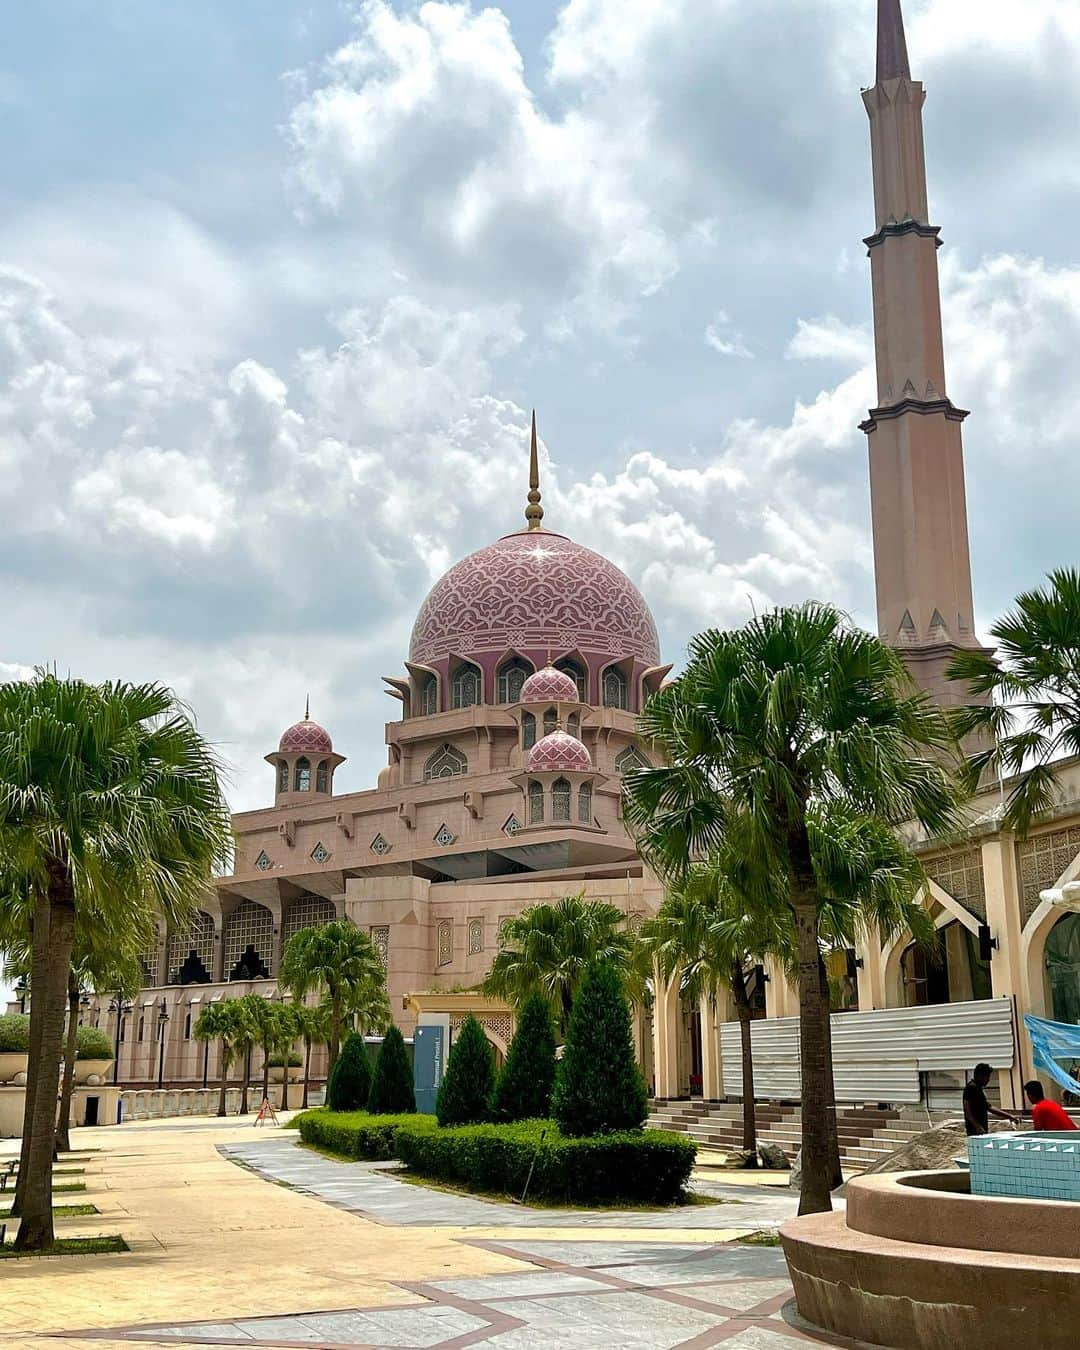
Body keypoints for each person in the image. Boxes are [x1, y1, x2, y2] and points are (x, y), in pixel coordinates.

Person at [963, 1063, 1019, 1136]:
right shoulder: (971, 1088)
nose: (988, 1080)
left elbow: (988, 1107)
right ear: (980, 1076)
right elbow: (967, 1110)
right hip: (975, 1130)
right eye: (987, 1077)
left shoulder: (978, 1089)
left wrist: (1009, 1116)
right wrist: (977, 1126)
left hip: (980, 1128)